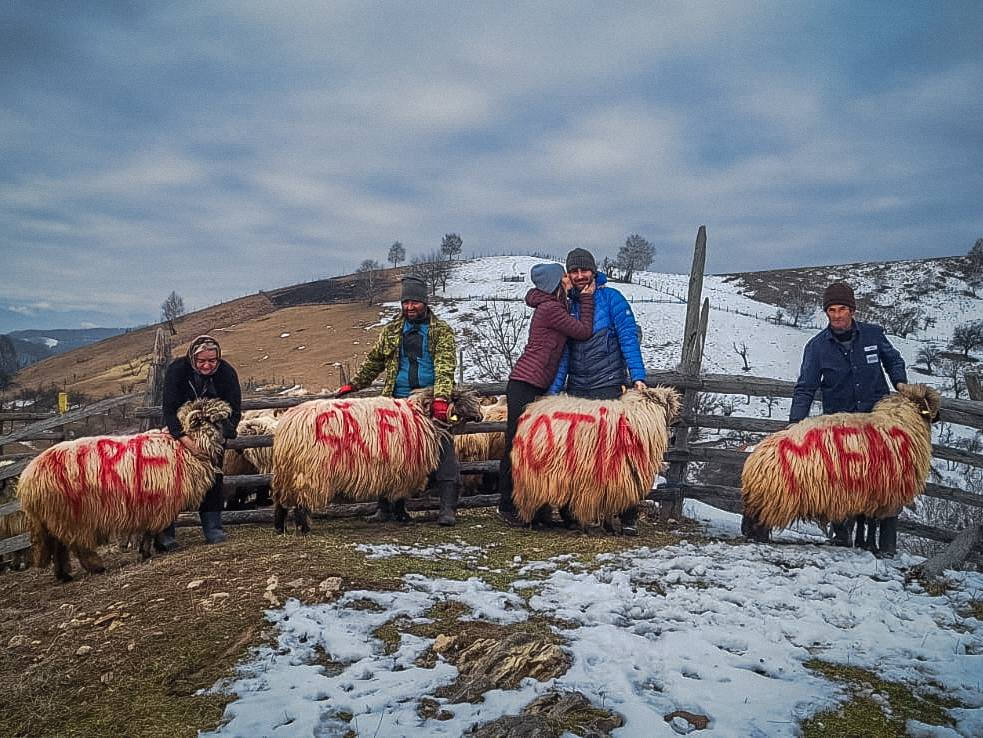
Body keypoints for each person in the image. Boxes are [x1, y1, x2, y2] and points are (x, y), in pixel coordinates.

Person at [787, 281, 908, 557]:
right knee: (842, 480)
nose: (837, 315)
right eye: (831, 310)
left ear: (852, 310)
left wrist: (900, 384)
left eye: (842, 309)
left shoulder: (873, 335)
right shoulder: (817, 347)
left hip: (877, 422)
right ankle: (842, 538)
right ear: (826, 313)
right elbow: (805, 387)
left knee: (885, 480)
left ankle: (886, 545)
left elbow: (893, 360)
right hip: (841, 430)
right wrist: (795, 424)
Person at [336, 275, 461, 525]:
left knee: (443, 452)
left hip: (428, 402)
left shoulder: (441, 331)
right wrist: (356, 383)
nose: (410, 307)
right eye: (405, 302)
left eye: (415, 302)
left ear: (425, 302)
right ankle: (388, 507)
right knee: (389, 454)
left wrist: (441, 397)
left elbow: (445, 367)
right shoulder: (393, 330)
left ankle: (447, 509)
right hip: (397, 403)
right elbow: (375, 360)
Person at [548, 247, 649, 534]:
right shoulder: (568, 306)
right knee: (580, 455)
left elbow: (628, 338)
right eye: (574, 271)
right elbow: (563, 353)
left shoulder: (612, 299)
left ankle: (626, 514)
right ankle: (581, 512)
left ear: (594, 271)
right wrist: (554, 391)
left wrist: (637, 376)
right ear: (568, 274)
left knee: (619, 452)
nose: (580, 276)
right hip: (578, 390)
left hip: (608, 385)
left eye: (584, 270)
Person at [497, 263, 595, 526]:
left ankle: (534, 506)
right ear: (555, 283)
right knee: (516, 443)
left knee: (532, 445)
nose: (569, 279)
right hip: (525, 383)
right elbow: (583, 331)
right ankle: (507, 505)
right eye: (564, 276)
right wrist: (586, 299)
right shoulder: (551, 309)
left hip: (535, 382)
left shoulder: (554, 305)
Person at [156, 334, 242, 549]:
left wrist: (221, 436)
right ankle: (166, 533)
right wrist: (185, 439)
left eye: (212, 360)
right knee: (172, 481)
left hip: (212, 435)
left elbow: (234, 409)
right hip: (179, 433)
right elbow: (169, 409)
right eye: (201, 360)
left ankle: (213, 528)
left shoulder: (226, 373)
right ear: (192, 358)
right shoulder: (177, 370)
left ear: (218, 358)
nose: (207, 365)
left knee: (213, 478)